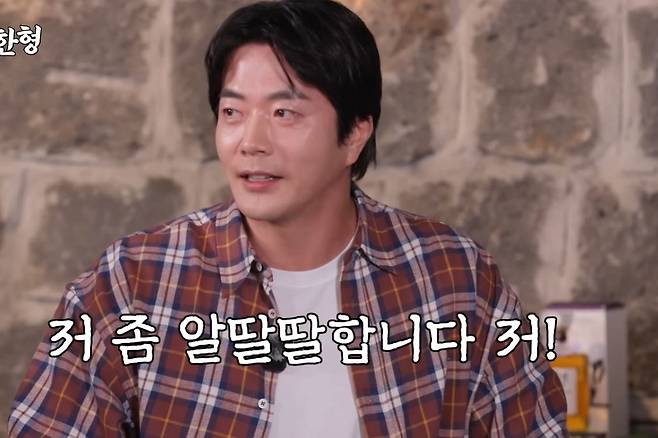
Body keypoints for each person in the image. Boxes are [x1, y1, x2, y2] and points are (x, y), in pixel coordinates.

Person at [8, 0, 567, 436]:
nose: (250, 142)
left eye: (283, 112)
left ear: (355, 135)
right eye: (232, 112)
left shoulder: (456, 279)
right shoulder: (133, 282)